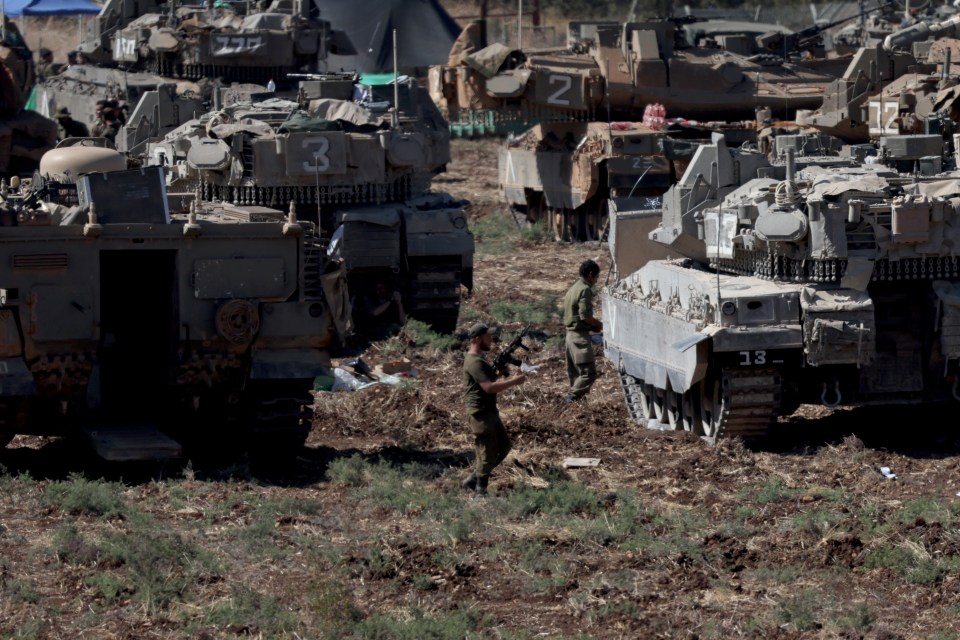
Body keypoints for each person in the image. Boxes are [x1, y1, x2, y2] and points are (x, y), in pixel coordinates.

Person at [462, 322, 526, 497]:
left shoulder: (480, 360)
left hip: (489, 411)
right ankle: (480, 492)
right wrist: (514, 381)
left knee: (504, 447)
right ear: (477, 339)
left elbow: (487, 381)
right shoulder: (474, 362)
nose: (491, 339)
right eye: (487, 336)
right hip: (480, 414)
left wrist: (499, 374)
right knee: (486, 452)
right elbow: (489, 388)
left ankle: (474, 479)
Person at [562, 259, 603, 402]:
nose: (596, 281)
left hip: (570, 336)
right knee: (588, 373)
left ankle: (576, 405)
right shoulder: (584, 289)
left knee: (575, 375)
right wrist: (598, 324)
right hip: (579, 337)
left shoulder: (573, 287)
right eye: (597, 277)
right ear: (591, 275)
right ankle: (572, 399)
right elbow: (585, 316)